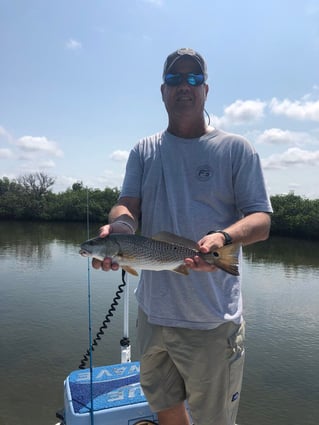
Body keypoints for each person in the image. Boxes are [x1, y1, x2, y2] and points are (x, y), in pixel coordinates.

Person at [93, 48, 272, 425]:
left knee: (214, 419)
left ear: (206, 89)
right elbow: (127, 206)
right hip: (154, 315)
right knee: (165, 406)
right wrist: (121, 228)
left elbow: (261, 221)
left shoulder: (236, 149)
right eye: (175, 79)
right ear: (163, 91)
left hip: (211, 320)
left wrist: (222, 238)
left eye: (193, 79)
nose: (184, 86)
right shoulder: (144, 150)